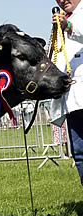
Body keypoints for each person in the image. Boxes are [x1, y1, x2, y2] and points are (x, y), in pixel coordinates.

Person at [50, 0, 83, 186]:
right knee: (79, 154)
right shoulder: (61, 21)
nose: (62, 0)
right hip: (72, 99)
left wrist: (68, 26)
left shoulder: (69, 22)